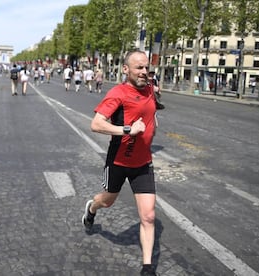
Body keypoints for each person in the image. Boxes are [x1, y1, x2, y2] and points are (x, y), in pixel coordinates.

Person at [82, 50, 158, 276]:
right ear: (126, 69)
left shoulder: (151, 88)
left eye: (146, 67)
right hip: (118, 161)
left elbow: (151, 111)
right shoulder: (118, 93)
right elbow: (96, 124)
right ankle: (91, 208)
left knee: (149, 216)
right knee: (107, 202)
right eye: (139, 68)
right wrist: (127, 130)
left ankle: (147, 268)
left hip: (143, 163)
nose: (144, 72)